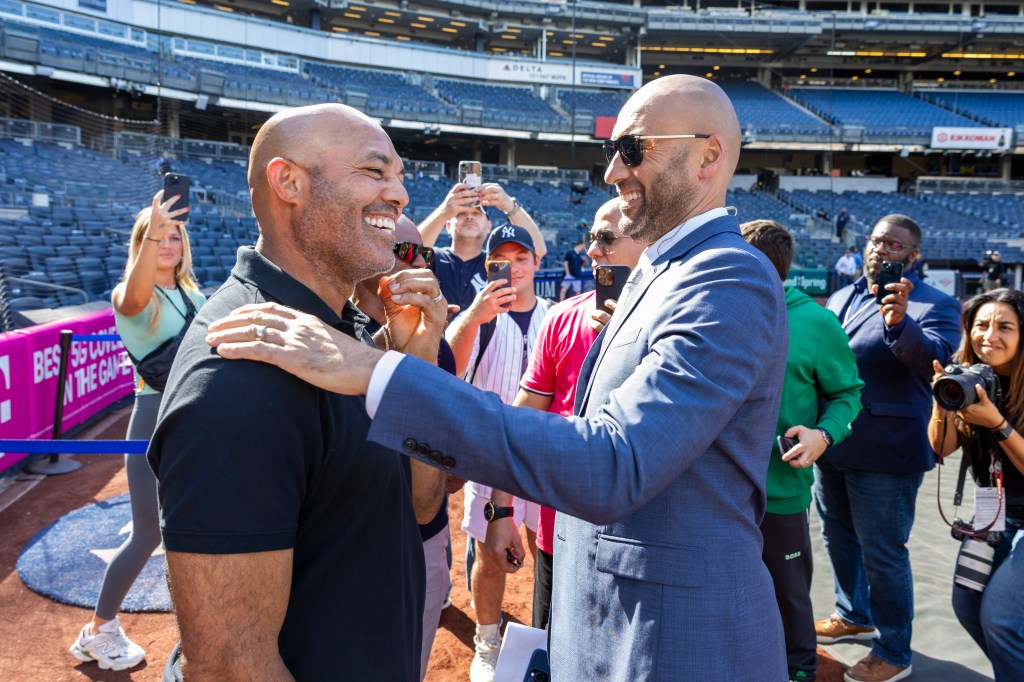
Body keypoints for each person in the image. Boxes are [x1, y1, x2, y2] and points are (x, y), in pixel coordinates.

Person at [206, 74, 790, 680]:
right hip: (615, 636)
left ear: (708, 156)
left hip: (679, 649)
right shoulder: (665, 272)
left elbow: (616, 465)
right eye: (611, 151)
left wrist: (377, 370)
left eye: (633, 149)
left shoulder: (726, 276)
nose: (613, 172)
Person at [148, 103, 448, 681]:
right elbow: (230, 665)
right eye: (374, 171)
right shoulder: (234, 375)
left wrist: (416, 362)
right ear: (289, 182)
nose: (400, 194)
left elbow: (420, 505)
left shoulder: (355, 328)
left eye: (400, 176)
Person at [816, 214, 961, 682]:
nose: (882, 250)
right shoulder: (843, 294)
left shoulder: (933, 303)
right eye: (877, 242)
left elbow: (934, 361)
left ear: (913, 256)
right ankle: (852, 612)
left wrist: (899, 324)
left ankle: (895, 651)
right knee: (837, 535)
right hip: (833, 441)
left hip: (888, 452)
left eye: (895, 245)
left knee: (883, 551)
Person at [69, 191, 200, 672]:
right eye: (155, 237)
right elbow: (136, 297)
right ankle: (99, 631)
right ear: (139, 243)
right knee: (148, 533)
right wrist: (151, 233)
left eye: (173, 236)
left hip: (193, 418)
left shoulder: (192, 292)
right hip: (153, 417)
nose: (167, 245)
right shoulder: (129, 295)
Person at [508, 198, 645, 632]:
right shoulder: (562, 318)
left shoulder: (677, 325)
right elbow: (522, 419)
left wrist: (629, 341)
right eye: (591, 238)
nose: (592, 251)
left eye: (606, 239)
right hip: (559, 532)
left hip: (640, 545)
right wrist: (500, 512)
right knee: (552, 650)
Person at [742, 219, 864, 682]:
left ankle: (799, 671)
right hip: (712, 490)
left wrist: (824, 435)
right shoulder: (714, 309)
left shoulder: (816, 322)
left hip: (782, 492)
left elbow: (848, 393)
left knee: (789, 596)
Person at [444, 223, 552, 682]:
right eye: (500, 261)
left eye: (521, 257)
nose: (513, 267)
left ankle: (549, 639)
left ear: (536, 262)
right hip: (490, 460)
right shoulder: (477, 317)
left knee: (545, 551)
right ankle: (487, 642)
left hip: (547, 459)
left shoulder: (557, 314)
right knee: (490, 557)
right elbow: (446, 367)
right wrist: (473, 317)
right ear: (489, 267)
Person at [350, 214, 454, 681]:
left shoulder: (438, 344)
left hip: (421, 546)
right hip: (341, 547)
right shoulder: (326, 325)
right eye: (402, 251)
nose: (415, 264)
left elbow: (443, 484)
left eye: (423, 254)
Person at [928, 288, 1024, 682]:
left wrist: (997, 424)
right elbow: (939, 449)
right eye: (982, 325)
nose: (990, 336)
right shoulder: (965, 372)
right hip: (991, 504)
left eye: (1005, 327)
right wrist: (943, 399)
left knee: (1000, 619)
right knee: (967, 604)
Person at [417, 180, 546, 314]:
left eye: (477, 214)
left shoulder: (497, 264)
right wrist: (443, 212)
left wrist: (510, 206)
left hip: (489, 335)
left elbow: (538, 250)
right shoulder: (434, 257)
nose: (469, 217)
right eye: (461, 214)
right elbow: (408, 254)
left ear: (489, 226)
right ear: (448, 225)